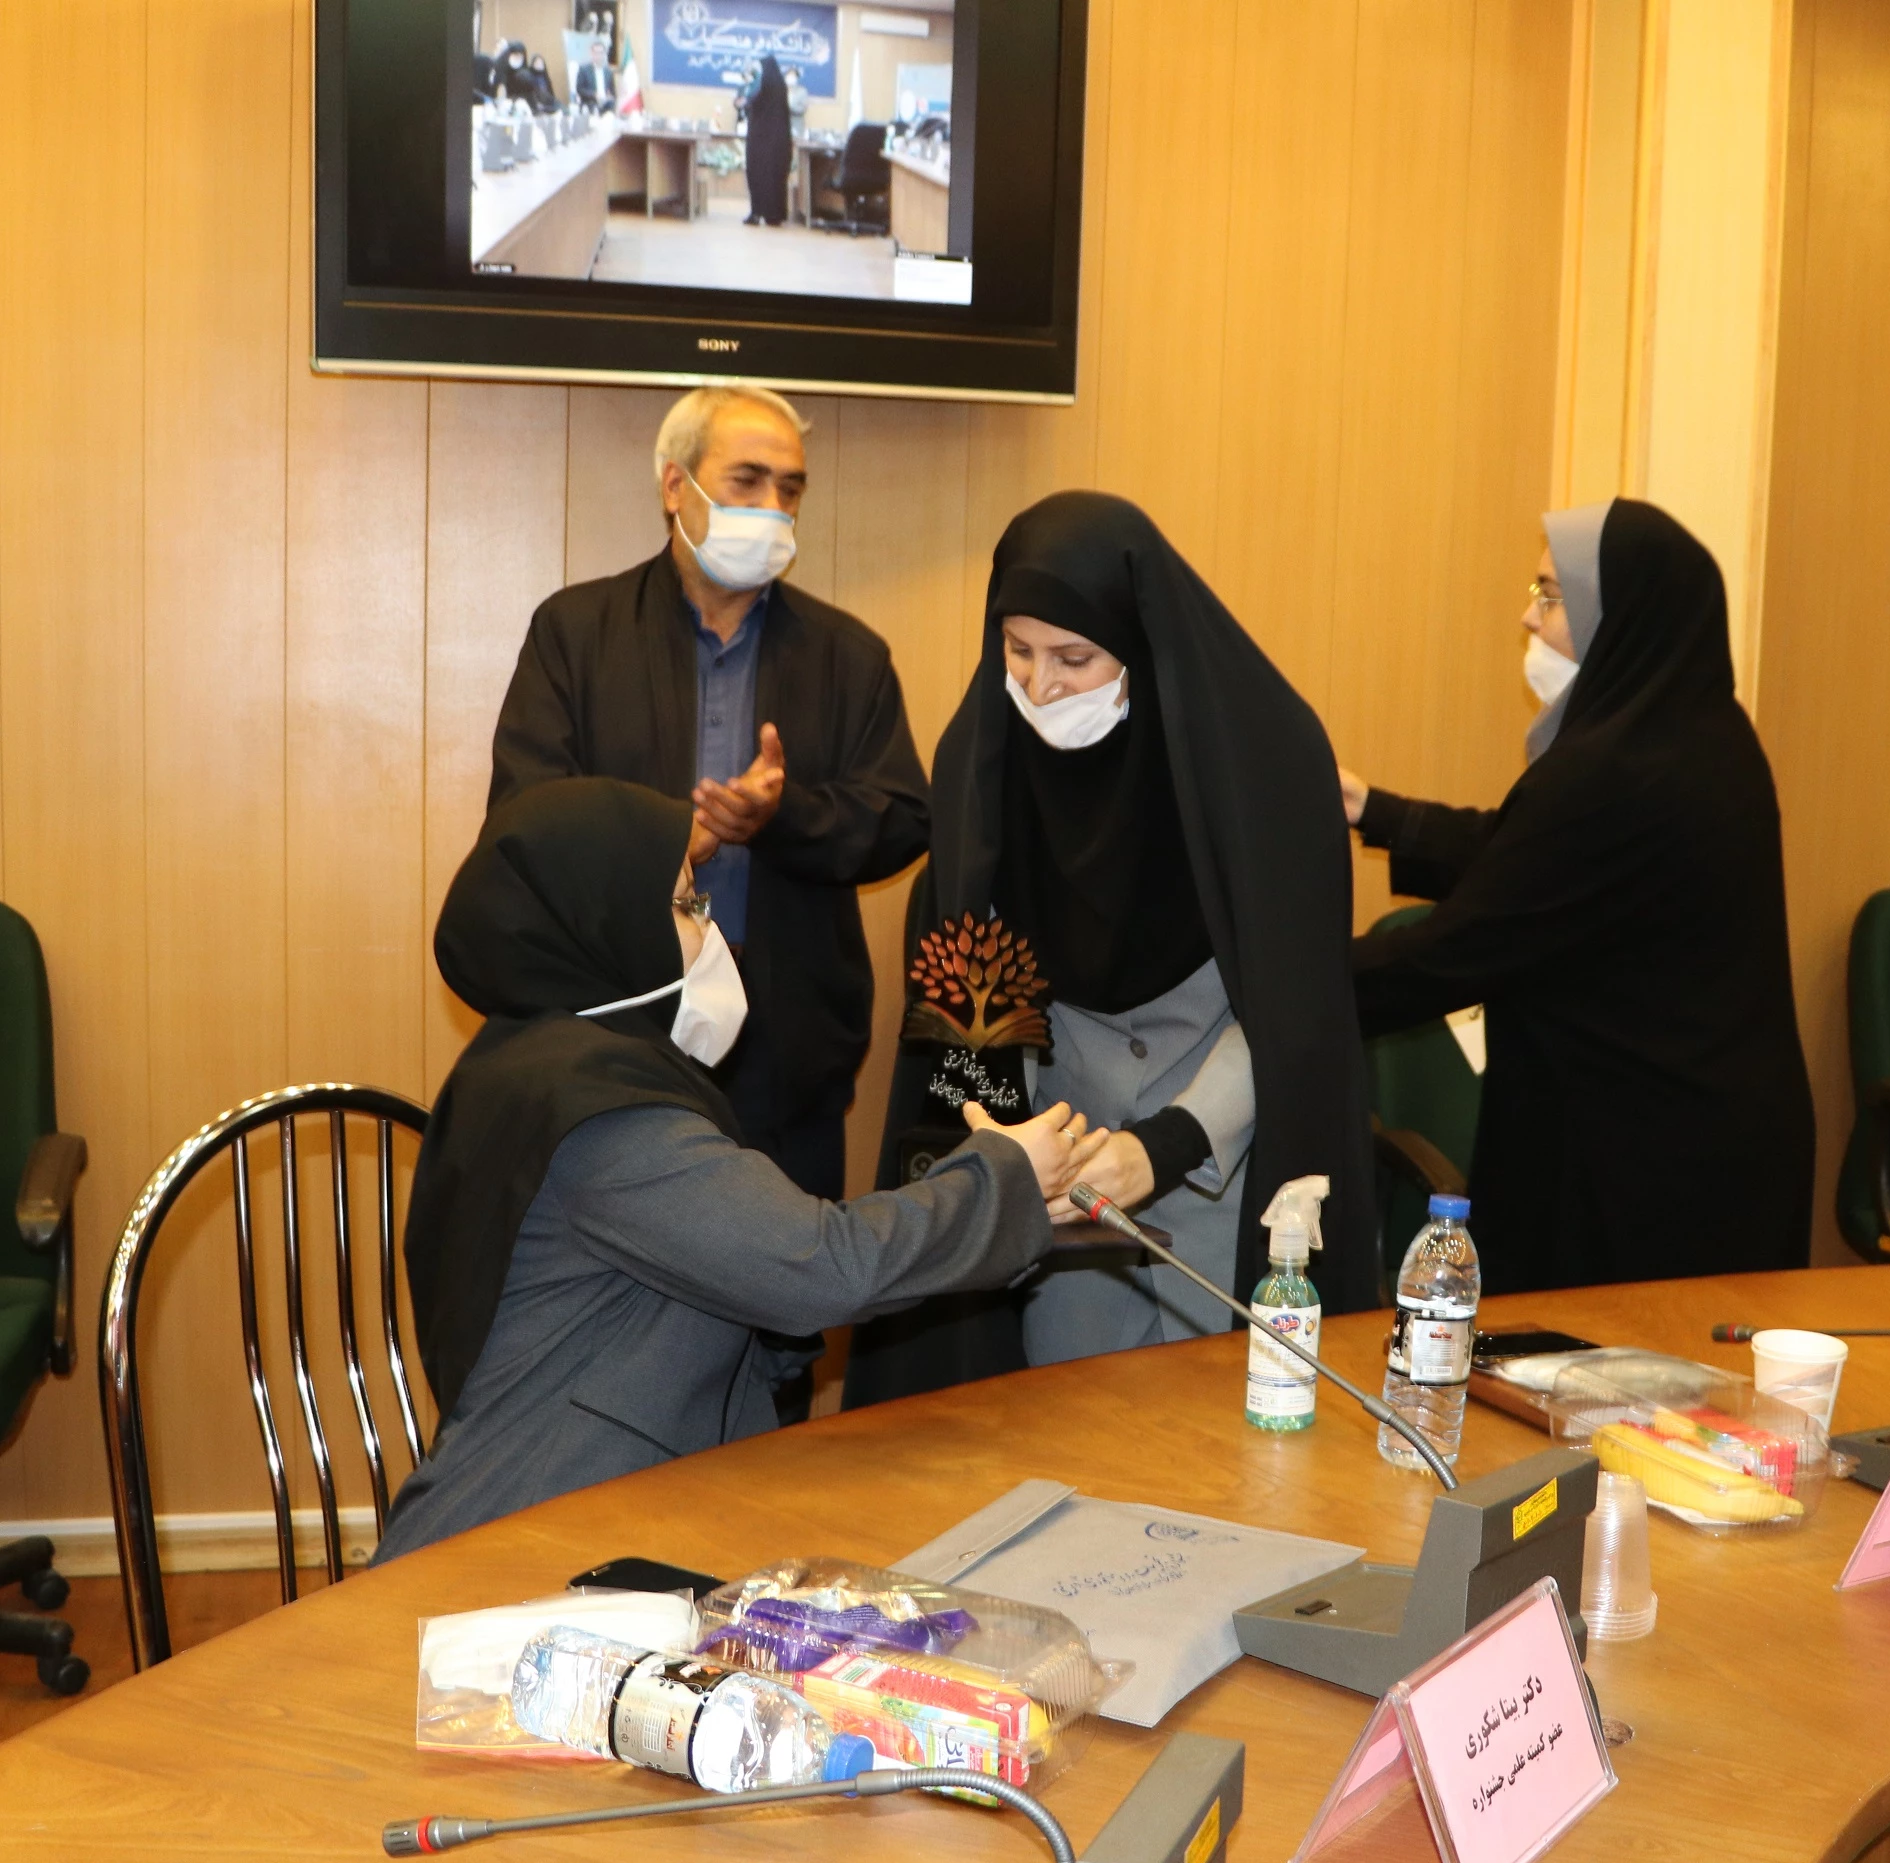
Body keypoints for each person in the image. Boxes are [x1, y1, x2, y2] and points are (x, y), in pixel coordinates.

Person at [375, 778, 1087, 1562]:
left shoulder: (532, 1063)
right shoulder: (602, 1117)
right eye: (687, 905)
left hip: (591, 1510)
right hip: (532, 1553)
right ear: (606, 917)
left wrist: (1011, 1197)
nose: (711, 932)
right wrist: (1004, 1174)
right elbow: (825, 1266)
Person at [847, 492, 1378, 1402]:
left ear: (1141, 644)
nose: (1040, 686)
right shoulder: (983, 760)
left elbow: (1297, 1006)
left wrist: (1169, 1144)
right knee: (1058, 1426)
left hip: (1230, 1180)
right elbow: (967, 975)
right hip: (1062, 1201)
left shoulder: (1266, 760)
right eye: (1017, 651)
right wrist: (1004, 1134)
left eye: (1074, 658)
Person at [488, 384, 926, 1417]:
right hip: (616, 1058)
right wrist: (665, 839)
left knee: (782, 1339)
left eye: (791, 488)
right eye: (748, 481)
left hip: (786, 1061)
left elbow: (901, 819)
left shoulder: (849, 654)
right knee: (620, 1345)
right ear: (674, 486)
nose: (773, 508)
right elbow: (524, 818)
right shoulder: (575, 632)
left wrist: (782, 814)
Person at [1340, 499, 1814, 1294]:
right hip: (1704, 1149)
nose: (1529, 617)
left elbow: (1461, 946)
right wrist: (1374, 811)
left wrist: (1272, 984)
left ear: (1619, 616)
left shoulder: (1615, 776)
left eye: (1552, 596)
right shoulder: (1702, 735)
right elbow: (1533, 860)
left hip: (1644, 1179)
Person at [742, 55, 791, 225]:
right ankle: (775, 215)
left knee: (757, 175)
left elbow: (751, 102)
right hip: (780, 141)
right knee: (776, 177)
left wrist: (746, 103)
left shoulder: (762, 84)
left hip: (759, 140)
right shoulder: (781, 85)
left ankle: (756, 213)